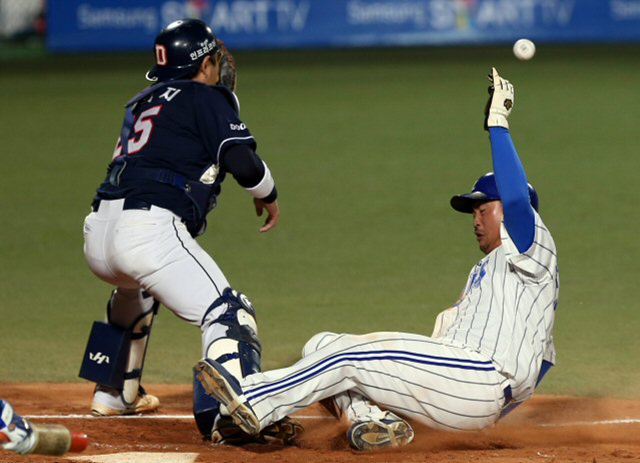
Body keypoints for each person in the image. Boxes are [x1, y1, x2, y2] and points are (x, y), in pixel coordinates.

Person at [193, 68, 559, 450]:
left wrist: (498, 124)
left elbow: (517, 201)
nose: (476, 218)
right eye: (473, 211)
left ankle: (253, 398)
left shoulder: (535, 248)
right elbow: (543, 360)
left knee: (349, 356)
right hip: (455, 388)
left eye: (483, 208)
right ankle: (375, 425)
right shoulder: (490, 272)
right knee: (322, 344)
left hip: (477, 382)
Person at [79, 18, 300, 445]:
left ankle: (111, 391)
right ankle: (232, 415)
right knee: (230, 313)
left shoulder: (141, 101)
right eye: (214, 59)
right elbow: (244, 164)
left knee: (133, 291)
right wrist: (267, 193)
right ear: (203, 64)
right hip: (147, 230)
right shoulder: (204, 95)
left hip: (98, 233)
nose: (219, 65)